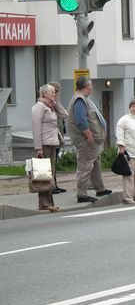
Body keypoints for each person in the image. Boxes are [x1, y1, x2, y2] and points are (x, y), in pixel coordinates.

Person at [67, 76, 112, 203]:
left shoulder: (85, 99)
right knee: (85, 165)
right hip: (86, 141)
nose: (92, 87)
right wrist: (89, 136)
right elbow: (81, 121)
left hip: (92, 141)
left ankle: (100, 188)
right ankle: (81, 194)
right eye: (91, 85)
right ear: (87, 86)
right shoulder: (79, 100)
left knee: (94, 164)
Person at [31, 84, 67, 212]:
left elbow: (64, 114)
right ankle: (44, 203)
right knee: (44, 174)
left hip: (52, 142)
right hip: (44, 144)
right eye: (52, 92)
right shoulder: (39, 107)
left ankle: (49, 202)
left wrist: (55, 103)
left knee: (50, 174)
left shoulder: (50, 106)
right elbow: (36, 128)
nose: (54, 94)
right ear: (44, 93)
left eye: (54, 92)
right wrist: (38, 148)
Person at [48, 81, 68, 193]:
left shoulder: (54, 103)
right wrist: (56, 102)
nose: (57, 95)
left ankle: (55, 185)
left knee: (54, 161)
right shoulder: (51, 104)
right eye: (56, 92)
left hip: (58, 135)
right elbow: (64, 113)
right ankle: (52, 186)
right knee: (51, 162)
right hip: (52, 136)